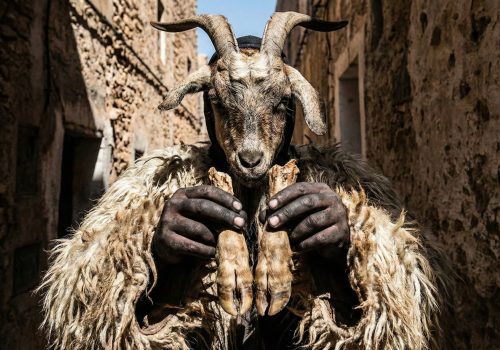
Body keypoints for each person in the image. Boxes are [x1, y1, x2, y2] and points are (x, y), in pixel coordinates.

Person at [40, 13, 446, 350]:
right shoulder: (159, 185)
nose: (251, 143)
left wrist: (350, 251)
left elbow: (409, 307)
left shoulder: (341, 185)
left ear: (293, 107)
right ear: (206, 103)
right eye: (225, 105)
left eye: (276, 107)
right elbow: (77, 306)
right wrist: (152, 254)